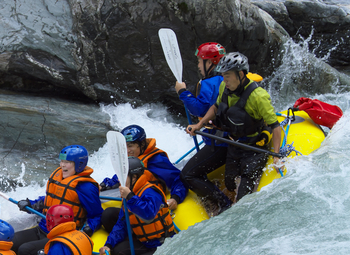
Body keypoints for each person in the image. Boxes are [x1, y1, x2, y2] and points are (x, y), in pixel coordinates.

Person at [187, 52, 282, 202]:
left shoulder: (258, 96)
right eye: (223, 74)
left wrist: (276, 156)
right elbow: (216, 107)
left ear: (241, 74)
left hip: (254, 148)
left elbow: (276, 127)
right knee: (230, 183)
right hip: (235, 145)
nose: (224, 79)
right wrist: (199, 124)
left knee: (244, 193)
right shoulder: (224, 86)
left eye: (228, 75)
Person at [12, 145, 103, 255]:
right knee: (12, 240)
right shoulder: (58, 176)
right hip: (43, 228)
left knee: (24, 250)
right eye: (61, 161)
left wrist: (89, 228)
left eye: (67, 162)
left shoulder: (86, 187)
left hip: (61, 235)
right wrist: (31, 204)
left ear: (79, 164)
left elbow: (97, 215)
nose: (62, 165)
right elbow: (51, 198)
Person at [176, 43, 233, 214]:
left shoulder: (211, 82)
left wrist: (182, 93)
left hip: (221, 142)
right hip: (230, 137)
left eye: (200, 62)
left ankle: (224, 204)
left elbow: (200, 109)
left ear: (211, 63)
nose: (198, 66)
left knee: (188, 174)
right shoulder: (228, 78)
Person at [100, 124, 186, 234]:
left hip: (149, 204)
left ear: (141, 144)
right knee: (107, 216)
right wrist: (104, 185)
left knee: (109, 215)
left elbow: (177, 179)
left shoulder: (156, 160)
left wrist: (175, 198)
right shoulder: (130, 160)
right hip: (133, 202)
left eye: (130, 146)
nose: (127, 150)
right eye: (124, 146)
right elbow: (120, 177)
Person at [99, 157, 176, 255]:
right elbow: (121, 224)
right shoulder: (130, 193)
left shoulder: (150, 192)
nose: (119, 180)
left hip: (162, 245)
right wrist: (108, 244)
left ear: (134, 177)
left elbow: (148, 215)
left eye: (123, 177)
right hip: (145, 242)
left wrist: (130, 197)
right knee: (117, 251)